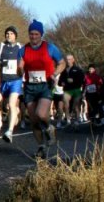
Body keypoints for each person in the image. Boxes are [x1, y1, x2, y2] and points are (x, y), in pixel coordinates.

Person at [18, 19, 65, 158]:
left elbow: (61, 63)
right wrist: (20, 69)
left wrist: (55, 73)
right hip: (30, 87)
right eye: (31, 34)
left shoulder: (50, 48)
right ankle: (41, 146)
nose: (33, 36)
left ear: (41, 34)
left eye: (36, 34)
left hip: (45, 85)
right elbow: (20, 65)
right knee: (33, 120)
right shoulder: (23, 50)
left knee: (41, 114)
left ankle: (50, 127)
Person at [0, 26, 22, 143]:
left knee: (11, 104)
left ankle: (9, 131)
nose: (8, 35)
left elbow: (25, 62)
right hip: (3, 82)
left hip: (16, 81)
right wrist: (1, 62)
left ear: (15, 36)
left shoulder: (20, 47)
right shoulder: (0, 46)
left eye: (11, 33)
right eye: (7, 33)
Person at [59, 54, 84, 130]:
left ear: (73, 60)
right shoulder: (64, 71)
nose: (68, 61)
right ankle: (68, 120)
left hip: (76, 89)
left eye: (69, 59)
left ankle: (77, 120)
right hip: (67, 89)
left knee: (76, 106)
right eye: (67, 59)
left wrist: (74, 81)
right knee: (65, 102)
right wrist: (62, 83)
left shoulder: (78, 70)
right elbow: (60, 81)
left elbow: (81, 80)